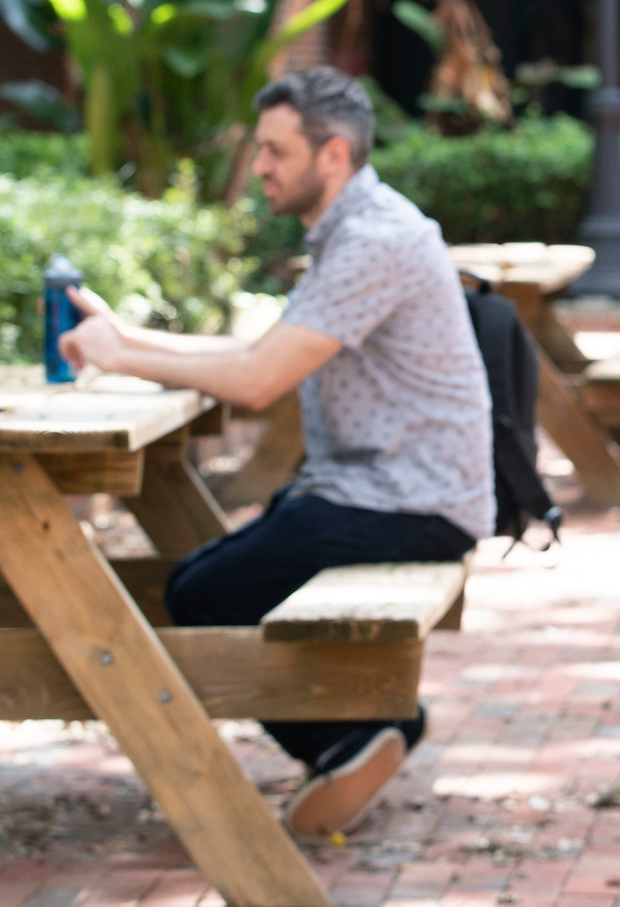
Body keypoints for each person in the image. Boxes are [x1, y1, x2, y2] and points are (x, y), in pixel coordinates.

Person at [58, 67, 493, 839]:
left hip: (411, 502)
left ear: (333, 156)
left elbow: (257, 381)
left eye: (275, 151)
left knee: (203, 593)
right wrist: (121, 337)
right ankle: (369, 726)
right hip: (383, 490)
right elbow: (262, 352)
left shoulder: (373, 242)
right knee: (201, 578)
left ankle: (356, 733)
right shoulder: (353, 231)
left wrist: (123, 358)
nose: (259, 167)